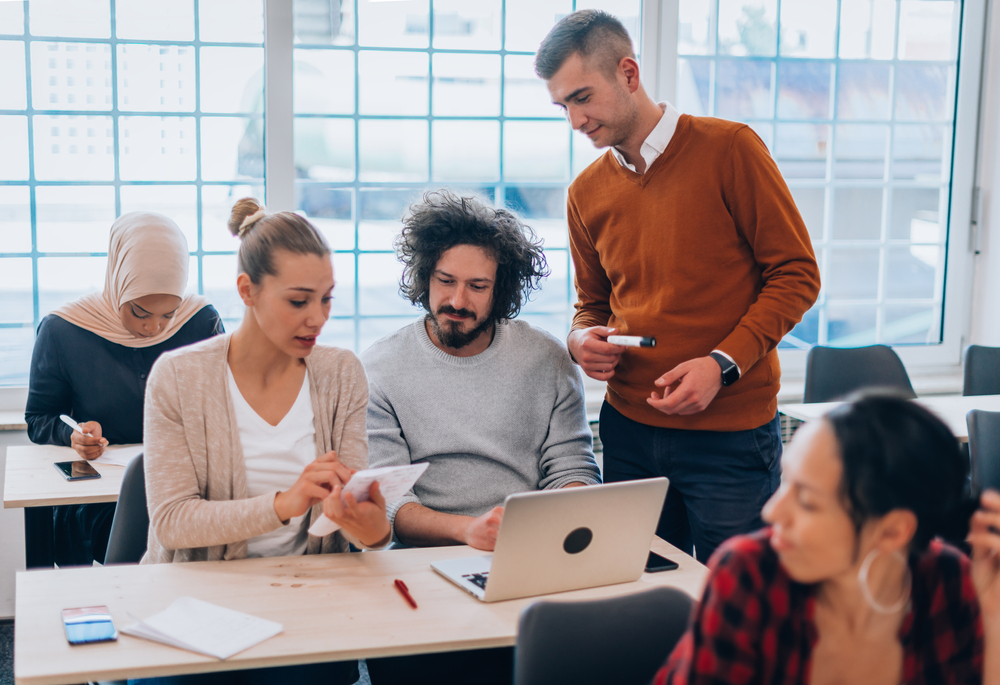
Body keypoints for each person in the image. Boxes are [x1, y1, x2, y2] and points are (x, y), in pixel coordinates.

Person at [535, 11, 822, 563]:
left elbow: (796, 274)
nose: (575, 120)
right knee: (636, 600)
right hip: (627, 434)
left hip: (731, 436)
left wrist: (721, 364)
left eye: (582, 97)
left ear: (629, 73)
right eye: (563, 106)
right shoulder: (585, 192)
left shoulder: (730, 149)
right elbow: (590, 306)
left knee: (736, 607)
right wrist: (580, 341)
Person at [137, 199, 390, 685]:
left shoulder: (341, 374)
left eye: (327, 299)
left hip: (306, 601)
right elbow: (171, 524)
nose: (317, 318)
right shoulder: (178, 376)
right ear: (247, 291)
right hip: (197, 605)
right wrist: (284, 503)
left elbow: (365, 535)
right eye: (299, 301)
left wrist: (374, 529)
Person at [363, 190, 601, 685]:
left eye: (477, 286)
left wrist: (562, 517)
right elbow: (389, 507)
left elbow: (573, 469)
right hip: (423, 567)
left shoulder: (547, 359)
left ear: (502, 290)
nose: (457, 301)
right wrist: (467, 530)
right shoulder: (380, 367)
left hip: (530, 562)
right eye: (445, 281)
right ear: (424, 275)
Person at [653, 393, 1000, 684]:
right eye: (785, 481)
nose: (773, 513)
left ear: (894, 532)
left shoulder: (945, 580)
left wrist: (993, 615)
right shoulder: (751, 574)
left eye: (807, 501)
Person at [25, 212, 223, 567]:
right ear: (117, 281)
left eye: (169, 314)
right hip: (102, 499)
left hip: (187, 488)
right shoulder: (64, 330)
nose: (154, 328)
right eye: (140, 311)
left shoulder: (201, 321)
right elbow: (38, 418)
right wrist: (73, 435)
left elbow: (228, 404)